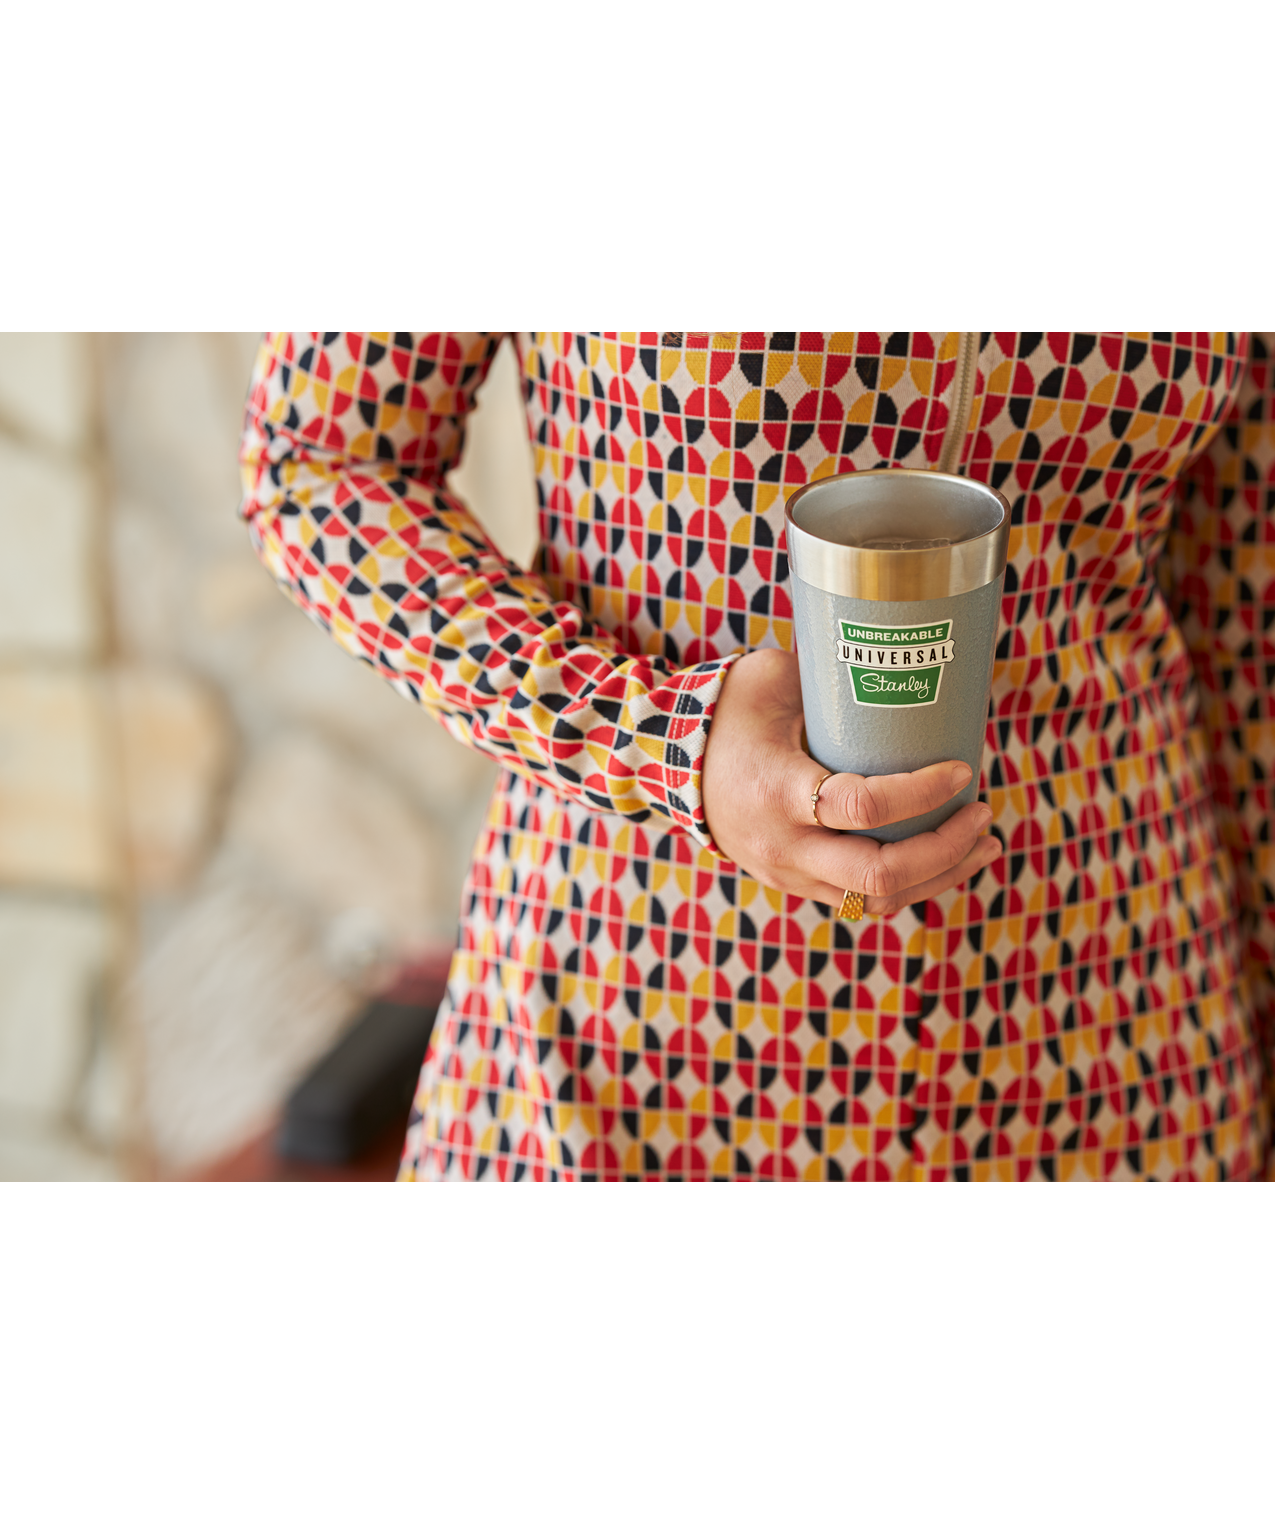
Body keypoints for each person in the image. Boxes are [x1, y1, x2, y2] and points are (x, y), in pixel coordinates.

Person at [240, 332, 1271, 1181]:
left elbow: (1246, 620)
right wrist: (651, 736)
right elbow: (321, 463)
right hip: (648, 1014)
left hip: (1114, 1024)